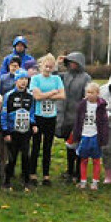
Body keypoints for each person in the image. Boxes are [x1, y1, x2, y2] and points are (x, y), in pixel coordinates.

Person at [29, 54, 65, 186]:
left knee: (48, 147)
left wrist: (48, 95)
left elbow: (62, 95)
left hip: (51, 116)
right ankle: (32, 174)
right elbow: (37, 96)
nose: (48, 69)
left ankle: (46, 175)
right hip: (38, 116)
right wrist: (51, 93)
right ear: (41, 66)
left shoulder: (56, 79)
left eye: (51, 67)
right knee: (36, 145)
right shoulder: (35, 79)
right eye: (46, 66)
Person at [57, 52, 90, 183]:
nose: (72, 64)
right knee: (69, 146)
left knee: (79, 147)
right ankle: (70, 171)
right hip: (66, 116)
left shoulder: (86, 78)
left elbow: (87, 97)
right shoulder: (65, 76)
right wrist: (57, 64)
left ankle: (78, 172)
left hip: (78, 116)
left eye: (74, 62)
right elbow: (51, 76)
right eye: (70, 62)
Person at [2, 69, 36, 190]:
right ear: (16, 80)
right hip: (13, 131)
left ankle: (26, 181)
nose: (23, 82)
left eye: (26, 79)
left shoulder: (30, 96)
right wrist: (5, 131)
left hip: (25, 132)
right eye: (21, 79)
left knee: (26, 156)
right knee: (12, 157)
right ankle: (7, 181)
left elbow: (32, 113)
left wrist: (33, 125)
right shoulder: (9, 95)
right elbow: (4, 114)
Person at [74, 83, 109, 190]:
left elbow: (104, 123)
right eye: (87, 92)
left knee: (96, 160)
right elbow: (77, 121)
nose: (89, 95)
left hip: (95, 136)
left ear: (97, 93)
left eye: (91, 92)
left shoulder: (101, 106)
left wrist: (103, 137)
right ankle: (83, 181)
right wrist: (76, 134)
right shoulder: (82, 105)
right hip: (84, 136)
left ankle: (95, 182)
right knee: (83, 159)